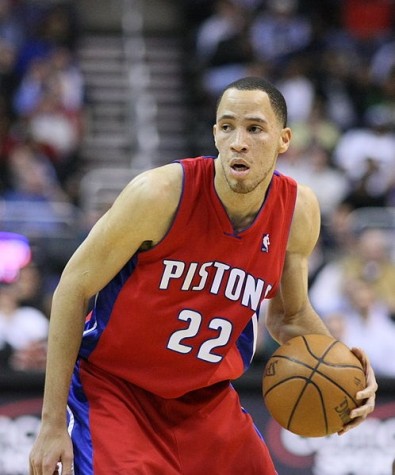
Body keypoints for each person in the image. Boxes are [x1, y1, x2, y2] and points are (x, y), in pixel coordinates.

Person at [29, 76, 377, 475]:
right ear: (214, 134)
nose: (238, 141)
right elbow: (72, 289)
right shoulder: (158, 195)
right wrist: (52, 423)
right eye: (227, 127)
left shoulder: (298, 211)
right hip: (118, 393)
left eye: (254, 129)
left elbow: (290, 316)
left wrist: (346, 370)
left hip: (206, 402)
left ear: (284, 140)